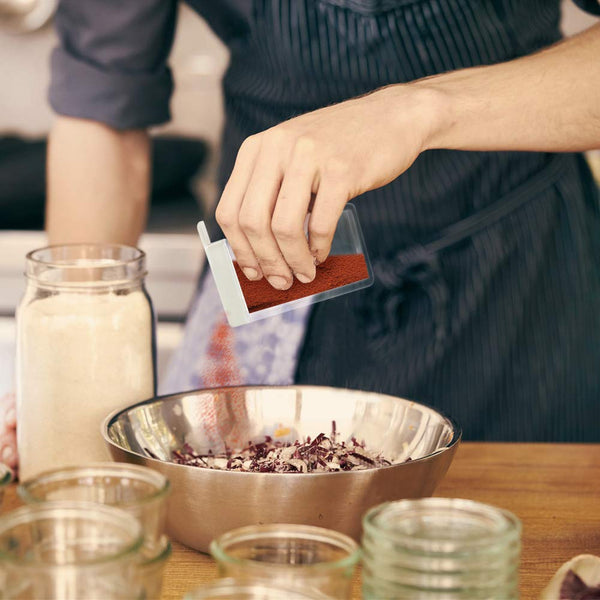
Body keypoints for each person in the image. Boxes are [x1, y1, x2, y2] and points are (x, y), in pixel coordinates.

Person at [39, 0, 600, 445]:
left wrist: (415, 110)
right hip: (269, 256)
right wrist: (72, 383)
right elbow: (102, 103)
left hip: (517, 272)